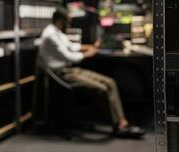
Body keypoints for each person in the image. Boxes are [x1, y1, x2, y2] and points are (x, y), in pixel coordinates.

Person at [39, 7, 145, 137]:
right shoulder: (50, 34)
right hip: (62, 74)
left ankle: (122, 122)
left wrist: (88, 47)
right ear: (61, 20)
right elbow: (70, 56)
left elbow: (71, 46)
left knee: (110, 82)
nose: (70, 24)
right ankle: (120, 125)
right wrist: (89, 53)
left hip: (70, 69)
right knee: (102, 88)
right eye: (68, 21)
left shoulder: (57, 31)